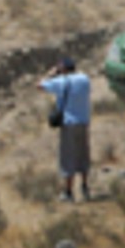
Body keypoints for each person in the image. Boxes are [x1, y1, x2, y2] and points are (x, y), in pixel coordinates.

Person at [38, 55, 93, 201]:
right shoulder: (84, 79)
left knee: (68, 157)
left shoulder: (61, 82)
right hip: (84, 121)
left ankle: (68, 192)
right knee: (83, 155)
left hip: (69, 123)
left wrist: (51, 73)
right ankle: (85, 187)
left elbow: (40, 85)